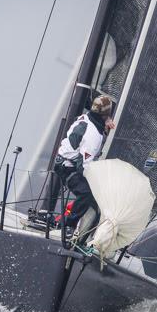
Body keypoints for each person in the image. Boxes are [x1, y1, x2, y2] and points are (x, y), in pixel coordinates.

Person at [54, 95, 115, 230]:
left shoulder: (85, 117)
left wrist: (107, 120)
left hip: (63, 161)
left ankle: (74, 227)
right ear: (106, 115)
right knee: (87, 194)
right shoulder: (93, 135)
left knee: (92, 194)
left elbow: (97, 116)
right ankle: (67, 226)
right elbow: (83, 167)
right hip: (67, 168)